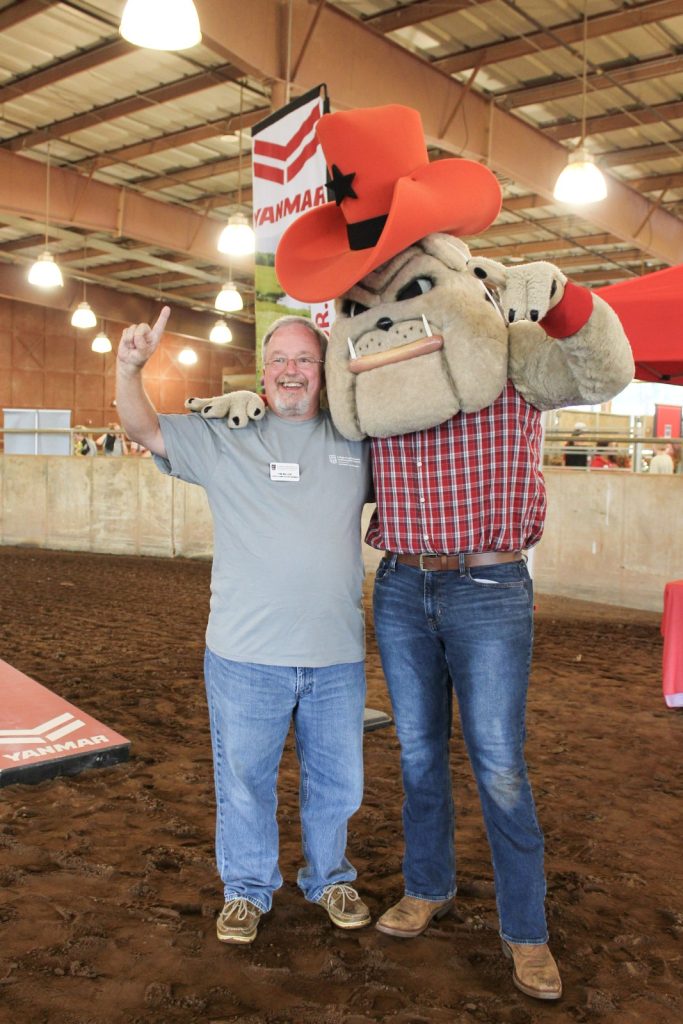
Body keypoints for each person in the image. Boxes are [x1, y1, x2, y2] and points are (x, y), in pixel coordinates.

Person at [116, 309, 372, 946]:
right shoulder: (223, 436)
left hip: (335, 652)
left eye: (304, 360)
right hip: (245, 654)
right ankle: (247, 889)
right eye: (280, 360)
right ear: (263, 371)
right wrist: (129, 367)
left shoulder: (356, 439)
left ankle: (330, 877)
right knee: (245, 783)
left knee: (338, 782)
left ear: (322, 371)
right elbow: (143, 427)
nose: (291, 372)